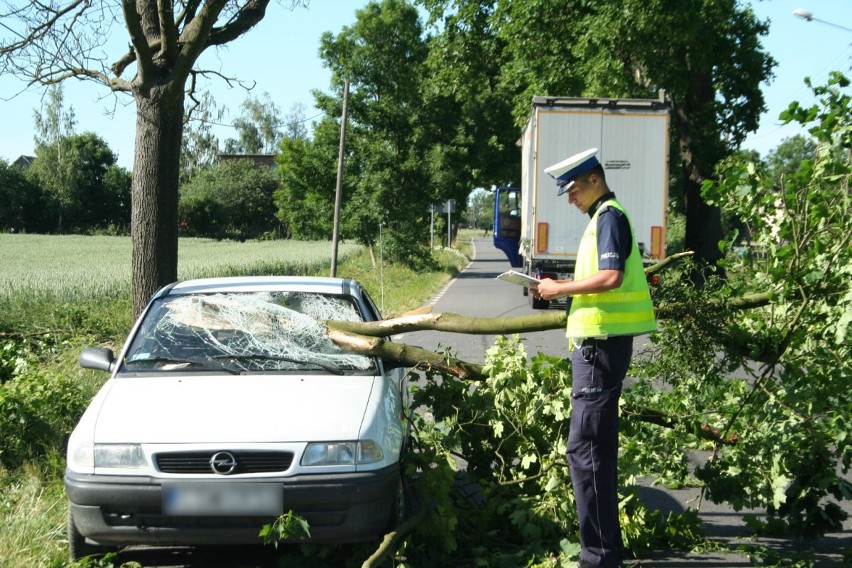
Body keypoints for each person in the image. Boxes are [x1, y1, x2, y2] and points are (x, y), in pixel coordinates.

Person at [532, 147, 657, 568]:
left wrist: (556, 290)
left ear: (594, 181)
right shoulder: (602, 218)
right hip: (599, 348)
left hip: (600, 348)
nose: (570, 198)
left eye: (573, 189)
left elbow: (609, 277)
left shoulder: (608, 217)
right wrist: (558, 286)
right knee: (590, 451)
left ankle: (599, 559)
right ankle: (602, 556)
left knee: (586, 452)